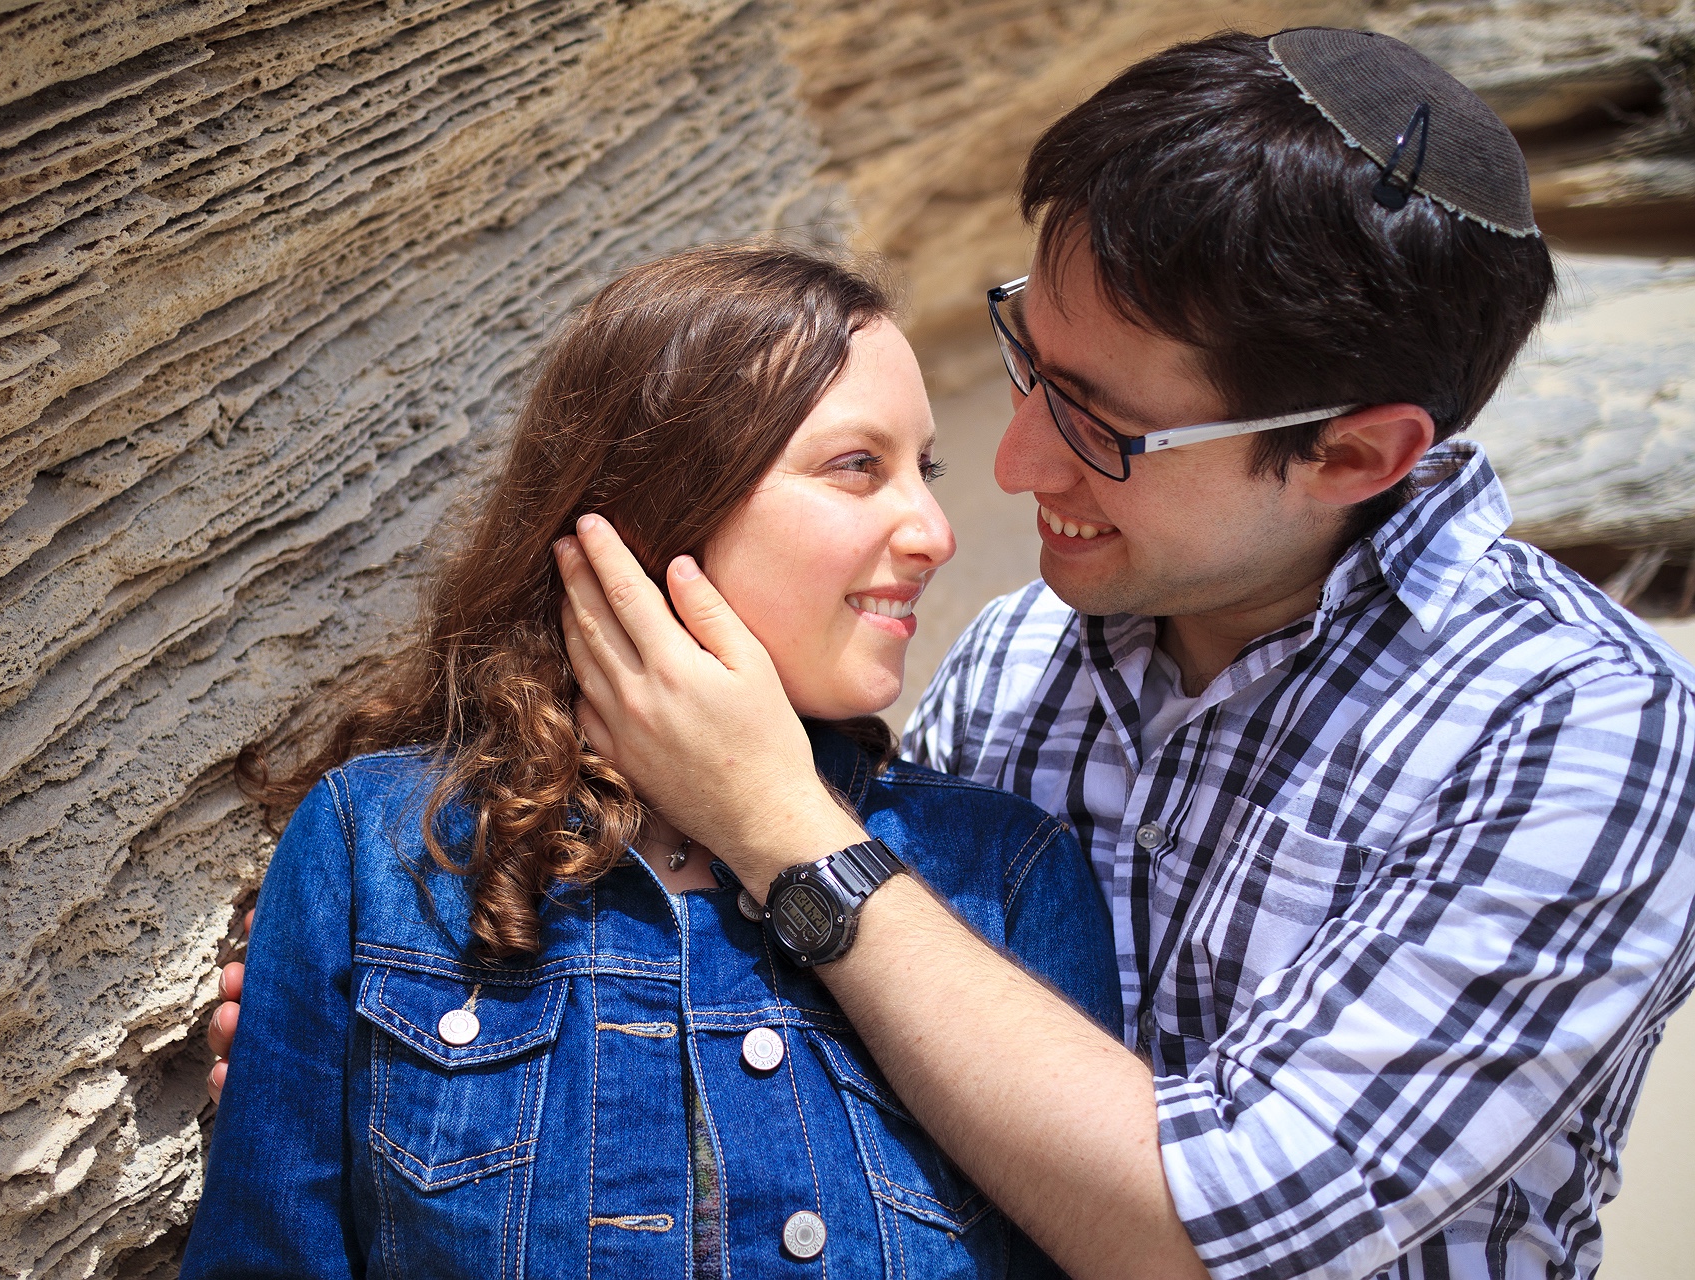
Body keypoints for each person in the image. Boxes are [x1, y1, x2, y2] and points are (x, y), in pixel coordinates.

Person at [541, 29, 1695, 1280]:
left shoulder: (1582, 732)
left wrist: (782, 825)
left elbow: (1212, 1236)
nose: (1016, 463)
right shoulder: (1020, 656)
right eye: (1026, 357)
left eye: (1101, 422)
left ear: (1358, 455)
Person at [181, 245, 1120, 1278]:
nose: (935, 530)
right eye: (859, 466)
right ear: (669, 494)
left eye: (924, 470)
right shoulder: (378, 852)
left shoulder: (1006, 876)